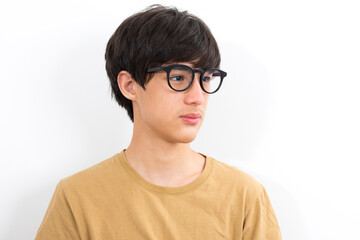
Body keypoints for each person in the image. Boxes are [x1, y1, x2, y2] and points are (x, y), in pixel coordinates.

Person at [36, 5, 281, 240]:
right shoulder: (77, 197)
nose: (197, 98)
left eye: (205, 78)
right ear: (129, 86)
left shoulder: (245, 196)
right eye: (177, 77)